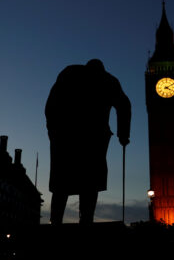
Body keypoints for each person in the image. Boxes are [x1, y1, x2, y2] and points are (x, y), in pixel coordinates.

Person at [45, 59, 131, 224]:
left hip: (66, 136)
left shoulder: (69, 73)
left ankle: (56, 220)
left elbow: (51, 103)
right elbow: (124, 105)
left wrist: (53, 129)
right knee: (90, 179)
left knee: (62, 179)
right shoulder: (109, 80)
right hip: (93, 138)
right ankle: (86, 219)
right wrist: (123, 134)